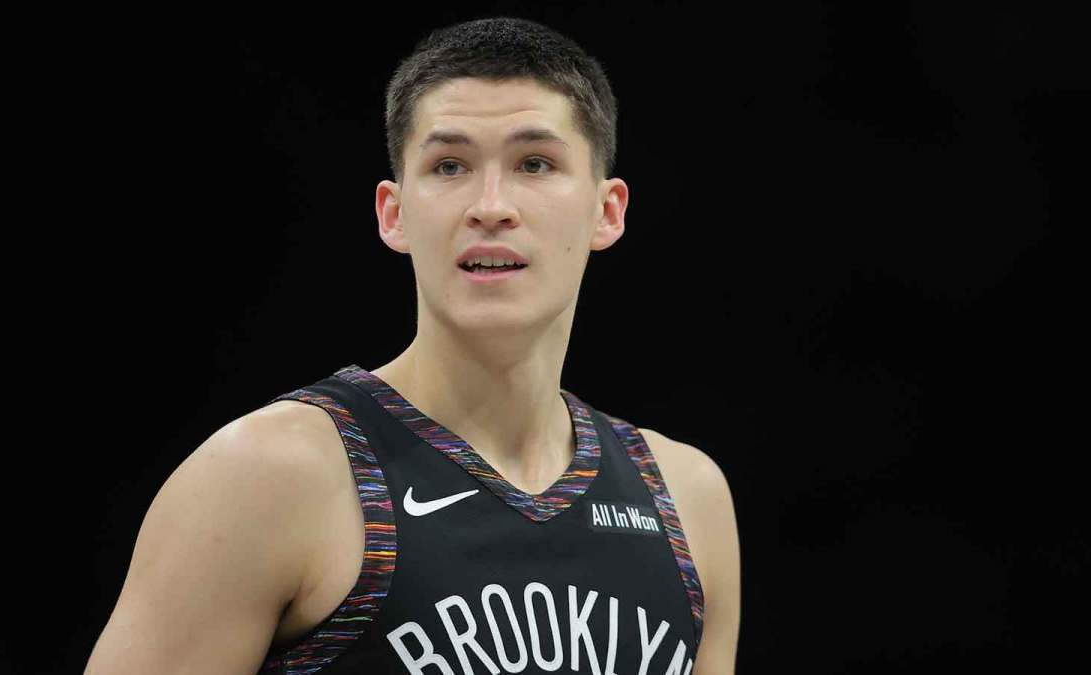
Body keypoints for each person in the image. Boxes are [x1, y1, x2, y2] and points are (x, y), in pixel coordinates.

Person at [85, 16, 740, 675]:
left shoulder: (686, 497)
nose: (491, 205)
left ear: (608, 210)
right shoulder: (271, 475)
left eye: (534, 163)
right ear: (394, 212)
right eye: (449, 165)